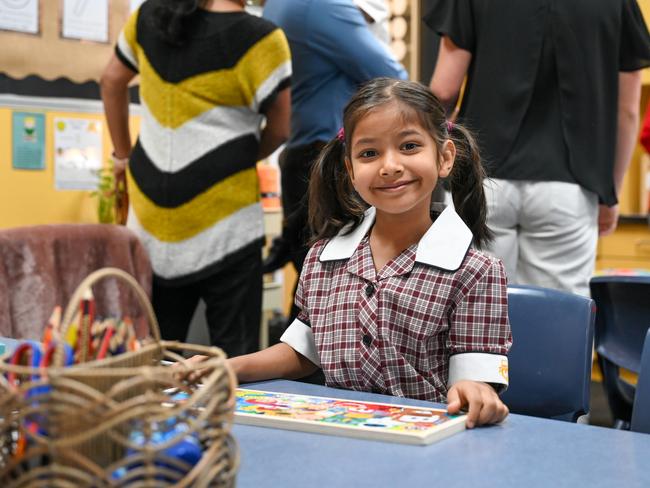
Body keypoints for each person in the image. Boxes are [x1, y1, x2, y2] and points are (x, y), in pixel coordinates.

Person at [206, 78, 512, 428]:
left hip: (428, 447)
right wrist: (228, 368)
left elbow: (473, 375)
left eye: (409, 146)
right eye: (369, 153)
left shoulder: (477, 271)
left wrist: (475, 391)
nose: (389, 166)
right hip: (338, 440)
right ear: (350, 170)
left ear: (444, 158)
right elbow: (305, 350)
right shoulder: (322, 260)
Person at [100, 0, 291, 357]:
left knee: (150, 355)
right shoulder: (261, 37)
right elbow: (280, 128)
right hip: (227, 220)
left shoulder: (148, 16)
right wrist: (235, 160)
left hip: (152, 217)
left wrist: (122, 157)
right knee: (235, 361)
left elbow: (111, 81)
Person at [425, 0, 650, 296]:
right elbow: (628, 112)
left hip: (482, 180)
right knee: (556, 323)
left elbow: (443, 91)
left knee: (476, 316)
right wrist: (610, 191)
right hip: (570, 184)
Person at [261, 0, 408, 325]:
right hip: (331, 161)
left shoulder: (276, 6)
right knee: (339, 289)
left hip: (300, 156)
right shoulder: (320, 6)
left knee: (312, 287)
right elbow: (395, 81)